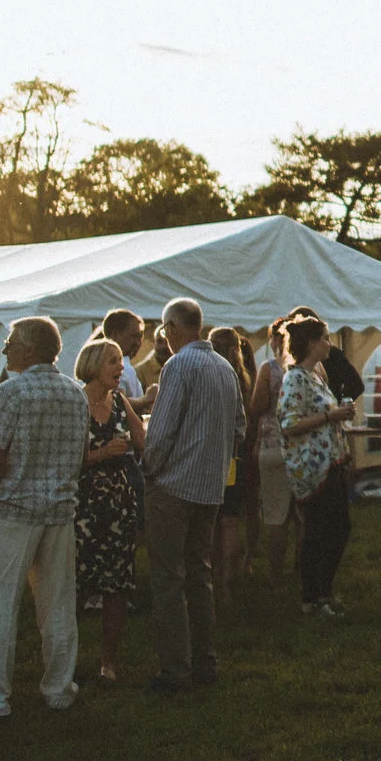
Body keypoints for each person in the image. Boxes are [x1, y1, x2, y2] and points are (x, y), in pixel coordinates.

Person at [0, 315, 89, 721]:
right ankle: (58, 688)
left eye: (10, 342)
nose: (4, 349)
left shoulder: (12, 392)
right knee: (58, 605)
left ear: (31, 349)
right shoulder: (76, 393)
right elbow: (79, 455)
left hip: (11, 511)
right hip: (58, 512)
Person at [141, 297, 244, 693]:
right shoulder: (224, 367)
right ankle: (205, 662)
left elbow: (162, 431)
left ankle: (175, 670)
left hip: (173, 485)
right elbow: (239, 427)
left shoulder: (178, 365)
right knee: (200, 576)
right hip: (210, 488)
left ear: (170, 327)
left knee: (168, 579)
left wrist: (150, 468)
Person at [74, 336, 147, 683]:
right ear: (92, 366)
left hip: (118, 502)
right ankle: (65, 658)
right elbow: (63, 459)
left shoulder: (119, 400)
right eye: (112, 361)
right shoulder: (75, 401)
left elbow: (142, 439)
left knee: (117, 584)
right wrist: (101, 455)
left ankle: (109, 662)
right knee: (75, 583)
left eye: (120, 361)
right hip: (82, 505)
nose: (121, 367)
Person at [278, 316, 358, 615]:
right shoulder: (295, 379)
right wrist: (330, 416)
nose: (329, 344)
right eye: (325, 338)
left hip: (331, 460)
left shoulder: (315, 376)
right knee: (319, 531)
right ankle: (313, 597)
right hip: (312, 467)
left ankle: (321, 591)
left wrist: (337, 414)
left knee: (336, 529)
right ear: (312, 343)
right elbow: (289, 424)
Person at [207, 326, 256, 606]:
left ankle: (216, 583)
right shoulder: (242, 378)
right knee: (230, 521)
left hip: (210, 459)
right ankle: (230, 579)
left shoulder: (210, 375)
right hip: (233, 457)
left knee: (212, 523)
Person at [251, 317, 296, 584]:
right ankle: (303, 571)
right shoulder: (310, 369)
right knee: (302, 517)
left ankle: (275, 576)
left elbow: (257, 407)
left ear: (275, 340)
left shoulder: (269, 369)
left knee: (276, 516)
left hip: (272, 446)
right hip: (301, 448)